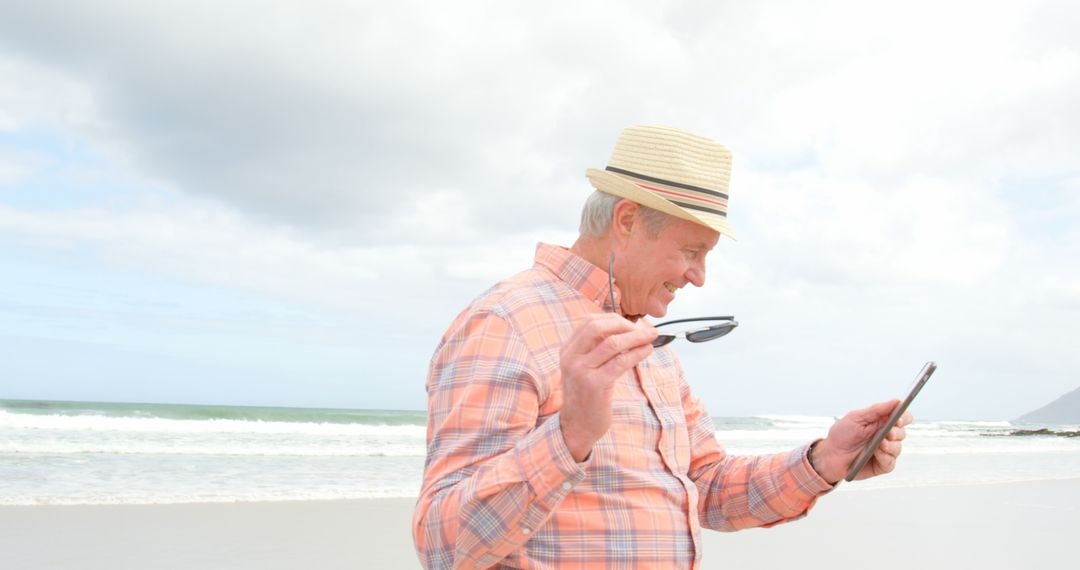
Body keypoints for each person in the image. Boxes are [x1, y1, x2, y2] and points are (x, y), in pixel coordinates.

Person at [412, 125, 912, 569]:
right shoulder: (505, 322)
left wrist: (824, 460)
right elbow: (442, 544)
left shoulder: (655, 347)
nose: (698, 276)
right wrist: (571, 436)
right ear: (626, 220)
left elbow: (708, 488)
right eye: (692, 251)